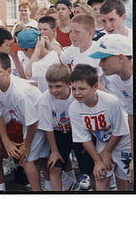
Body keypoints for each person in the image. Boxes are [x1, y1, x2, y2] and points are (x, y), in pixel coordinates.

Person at [0, 52, 51, 191]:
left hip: (40, 121)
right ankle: (51, 186)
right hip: (27, 121)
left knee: (25, 159)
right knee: (41, 160)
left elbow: (33, 122)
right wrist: (5, 141)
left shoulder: (20, 93)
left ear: (9, 71)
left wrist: (26, 145)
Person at [69, 64, 132, 191]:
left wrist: (107, 152)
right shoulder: (74, 108)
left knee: (127, 176)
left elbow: (119, 131)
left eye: (82, 88)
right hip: (103, 141)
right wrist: (97, 160)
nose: (77, 93)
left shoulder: (111, 101)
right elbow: (84, 138)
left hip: (122, 140)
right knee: (101, 175)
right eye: (73, 89)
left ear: (95, 87)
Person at [38, 63, 94, 191]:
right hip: (59, 134)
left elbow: (87, 118)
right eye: (50, 86)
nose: (54, 90)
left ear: (68, 84)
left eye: (58, 86)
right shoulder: (46, 98)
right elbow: (48, 127)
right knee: (54, 167)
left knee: (89, 169)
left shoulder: (76, 97)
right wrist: (54, 151)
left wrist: (88, 142)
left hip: (79, 134)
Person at [88, 33, 133, 185]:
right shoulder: (116, 79)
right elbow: (131, 116)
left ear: (121, 58)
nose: (100, 64)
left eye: (104, 59)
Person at [59, 13, 108, 92]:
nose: (72, 35)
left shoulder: (96, 53)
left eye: (77, 32)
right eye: (71, 31)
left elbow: (98, 84)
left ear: (90, 33)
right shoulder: (73, 48)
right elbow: (61, 58)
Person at [18, 27, 60, 93]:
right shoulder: (35, 57)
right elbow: (25, 75)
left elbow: (28, 73)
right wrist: (14, 57)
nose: (23, 53)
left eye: (23, 51)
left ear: (30, 50)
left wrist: (37, 50)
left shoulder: (50, 59)